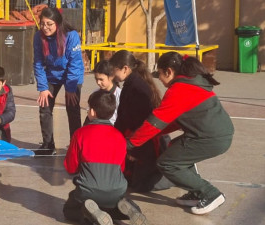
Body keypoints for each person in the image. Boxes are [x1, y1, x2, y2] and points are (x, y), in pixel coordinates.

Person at [125, 52, 234, 215]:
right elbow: (172, 121)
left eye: (160, 74)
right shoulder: (191, 83)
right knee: (174, 149)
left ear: (168, 71)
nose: (160, 80)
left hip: (211, 138)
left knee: (166, 163)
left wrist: (130, 143)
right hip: (217, 134)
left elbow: (154, 123)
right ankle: (197, 192)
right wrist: (155, 134)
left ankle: (210, 193)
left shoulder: (179, 90)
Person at [63, 91, 149, 225]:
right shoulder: (119, 137)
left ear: (92, 111)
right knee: (109, 203)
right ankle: (130, 209)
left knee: (69, 210)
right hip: (116, 190)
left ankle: (91, 214)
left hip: (88, 189)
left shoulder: (80, 134)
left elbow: (71, 167)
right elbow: (121, 168)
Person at [109, 50, 173, 193]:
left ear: (125, 69)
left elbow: (142, 125)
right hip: (134, 140)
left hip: (144, 143)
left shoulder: (137, 89)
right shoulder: (131, 84)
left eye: (115, 70)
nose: (113, 74)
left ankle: (170, 178)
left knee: (139, 185)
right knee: (128, 179)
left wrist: (134, 150)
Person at [33, 7, 84, 155]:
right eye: (42, 23)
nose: (45, 27)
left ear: (57, 23)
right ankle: (48, 145)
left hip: (71, 74)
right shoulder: (38, 37)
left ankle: (76, 146)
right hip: (51, 75)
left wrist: (70, 88)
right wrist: (43, 88)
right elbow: (38, 63)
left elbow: (75, 64)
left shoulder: (71, 36)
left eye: (49, 24)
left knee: (72, 107)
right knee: (45, 107)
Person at [84, 60, 121, 125]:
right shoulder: (95, 93)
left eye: (101, 79)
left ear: (111, 77)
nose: (98, 82)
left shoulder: (120, 95)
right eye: (96, 79)